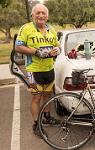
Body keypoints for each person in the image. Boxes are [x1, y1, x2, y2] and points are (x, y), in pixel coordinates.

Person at [15, 3, 60, 137]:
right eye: (38, 13)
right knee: (36, 97)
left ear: (47, 16)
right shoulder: (26, 28)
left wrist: (58, 50)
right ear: (33, 15)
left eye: (43, 13)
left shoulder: (51, 29)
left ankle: (47, 117)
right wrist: (35, 52)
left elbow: (57, 46)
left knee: (47, 95)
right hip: (34, 70)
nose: (41, 15)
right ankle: (36, 124)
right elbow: (18, 47)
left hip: (49, 68)